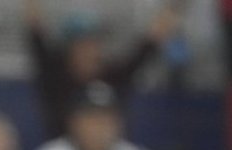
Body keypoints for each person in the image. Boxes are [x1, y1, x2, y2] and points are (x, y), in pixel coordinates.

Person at [21, 0, 181, 138]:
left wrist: (177, 5)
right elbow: (35, 30)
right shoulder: (54, 73)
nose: (89, 50)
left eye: (94, 43)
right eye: (82, 44)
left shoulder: (114, 75)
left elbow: (150, 43)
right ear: (70, 49)